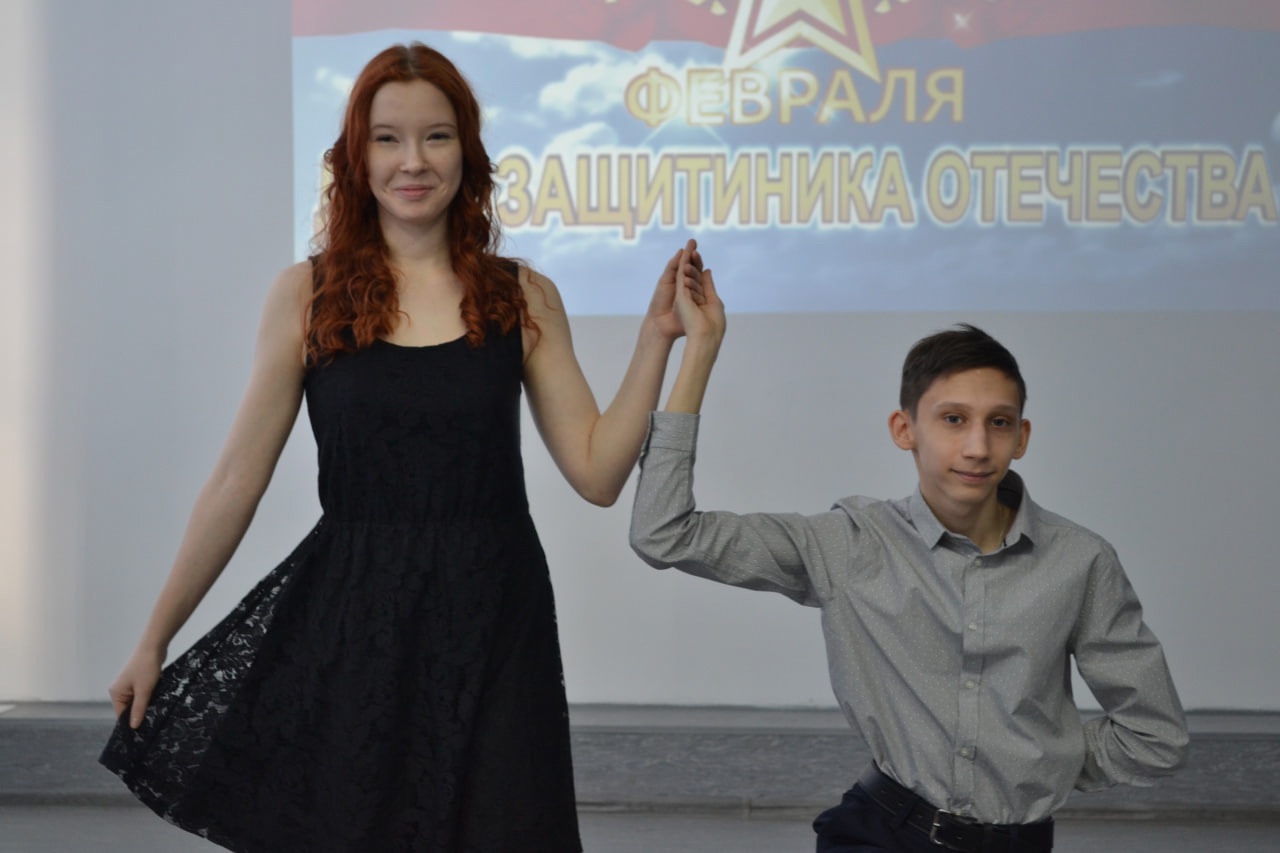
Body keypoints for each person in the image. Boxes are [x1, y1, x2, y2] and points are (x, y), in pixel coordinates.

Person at [100, 42, 707, 852]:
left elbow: (598, 472)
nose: (412, 161)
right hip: (357, 622)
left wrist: (662, 340)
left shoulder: (522, 294)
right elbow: (236, 481)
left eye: (436, 136)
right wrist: (154, 638)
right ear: (357, 156)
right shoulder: (306, 294)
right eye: (387, 138)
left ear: (467, 151)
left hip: (496, 621)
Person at [629, 320, 1189, 853]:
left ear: (1021, 437)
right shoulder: (850, 543)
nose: (977, 447)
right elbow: (665, 534)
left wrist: (1036, 764)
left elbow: (1155, 736)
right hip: (880, 830)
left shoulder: (1080, 560)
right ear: (905, 430)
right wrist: (700, 347)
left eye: (998, 423)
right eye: (953, 419)